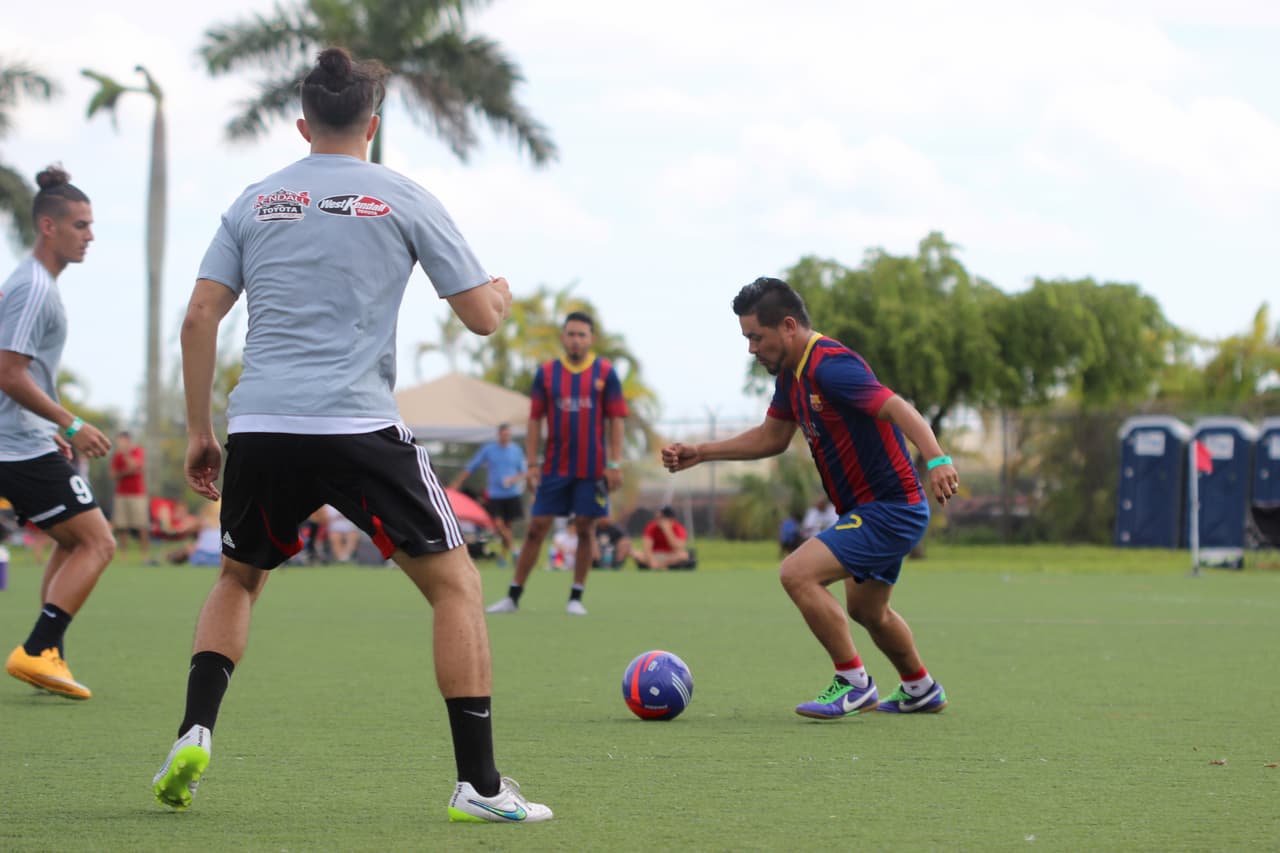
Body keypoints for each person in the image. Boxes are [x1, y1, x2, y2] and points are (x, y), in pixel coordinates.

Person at [149, 48, 551, 824]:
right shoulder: (402, 195)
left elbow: (199, 318)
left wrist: (203, 430)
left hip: (261, 425)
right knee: (458, 587)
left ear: (303, 125)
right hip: (359, 423)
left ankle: (195, 728)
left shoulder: (254, 200)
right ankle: (481, 784)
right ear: (373, 124)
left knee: (237, 578)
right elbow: (481, 317)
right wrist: (498, 291)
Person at [661, 276, 958, 719]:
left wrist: (936, 459)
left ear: (787, 326)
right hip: (874, 510)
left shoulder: (830, 365)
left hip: (890, 509)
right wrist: (701, 452)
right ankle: (920, 687)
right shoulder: (792, 375)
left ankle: (854, 683)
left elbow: (896, 406)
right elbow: (772, 437)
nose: (751, 348)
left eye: (755, 337)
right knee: (868, 610)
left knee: (797, 573)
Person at [0, 165, 115, 701]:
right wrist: (68, 421)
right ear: (49, 227)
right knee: (98, 541)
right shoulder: (32, 288)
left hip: (26, 437)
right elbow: (7, 371)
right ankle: (39, 647)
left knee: (73, 540)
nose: (90, 235)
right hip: (12, 444)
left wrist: (52, 425)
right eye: (81, 225)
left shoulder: (39, 284)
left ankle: (50, 655)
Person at [485, 312, 627, 616]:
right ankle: (513, 596)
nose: (576, 340)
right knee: (536, 528)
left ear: (591, 339)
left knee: (586, 528)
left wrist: (615, 462)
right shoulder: (547, 374)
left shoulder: (606, 373)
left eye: (582, 335)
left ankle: (576, 597)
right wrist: (533, 464)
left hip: (591, 469)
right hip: (554, 468)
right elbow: (535, 420)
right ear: (563, 338)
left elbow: (616, 420)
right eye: (571, 334)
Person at [448, 423, 525, 566]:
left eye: (508, 434)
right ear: (499, 435)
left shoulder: (516, 450)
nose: (506, 436)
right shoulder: (489, 450)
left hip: (512, 494)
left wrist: (513, 479)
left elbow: (523, 472)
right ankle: (515, 550)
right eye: (503, 434)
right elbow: (472, 466)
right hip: (495, 495)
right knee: (498, 524)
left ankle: (503, 557)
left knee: (507, 528)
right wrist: (457, 482)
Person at [110, 430, 153, 563]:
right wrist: (127, 472)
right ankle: (124, 556)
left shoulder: (137, 451)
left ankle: (144, 556)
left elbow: (135, 466)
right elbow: (112, 475)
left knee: (142, 526)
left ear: (128, 440)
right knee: (122, 526)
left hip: (138, 494)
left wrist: (126, 455)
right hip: (121, 495)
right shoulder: (116, 456)